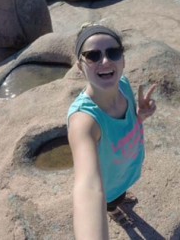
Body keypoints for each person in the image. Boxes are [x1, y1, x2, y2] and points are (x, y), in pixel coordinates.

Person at [67, 23, 157, 239]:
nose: (105, 61)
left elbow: (127, 124)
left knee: (121, 192)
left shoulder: (124, 85)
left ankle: (119, 198)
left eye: (113, 53)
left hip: (124, 170)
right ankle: (114, 210)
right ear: (80, 66)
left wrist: (139, 116)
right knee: (111, 200)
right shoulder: (84, 121)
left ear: (123, 60)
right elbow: (88, 189)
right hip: (106, 186)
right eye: (93, 56)